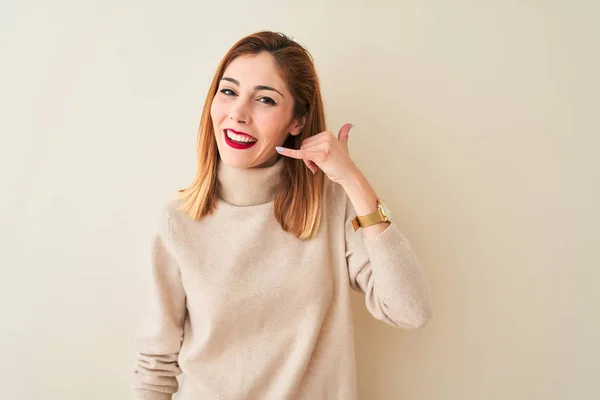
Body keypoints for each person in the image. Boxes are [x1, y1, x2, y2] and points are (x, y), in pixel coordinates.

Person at [131, 30, 433, 400]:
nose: (238, 114)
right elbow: (155, 368)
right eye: (228, 92)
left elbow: (410, 310)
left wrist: (353, 181)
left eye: (265, 100)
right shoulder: (178, 221)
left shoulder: (330, 204)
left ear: (297, 121)